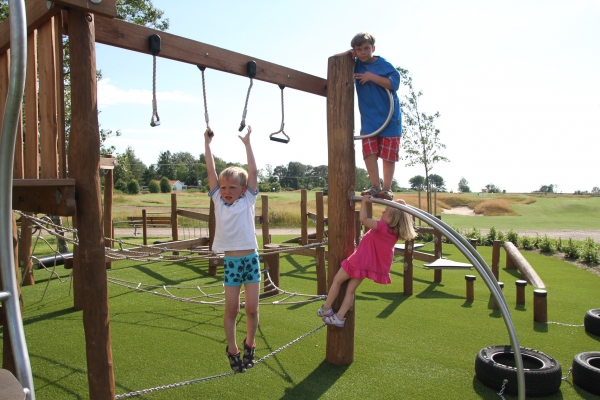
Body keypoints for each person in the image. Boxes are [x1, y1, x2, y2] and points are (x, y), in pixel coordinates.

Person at [205, 126, 260, 373]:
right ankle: (232, 348)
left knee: (252, 309)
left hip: (250, 260)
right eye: (224, 187)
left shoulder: (248, 199)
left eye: (232, 188)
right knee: (232, 309)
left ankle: (250, 344)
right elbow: (211, 171)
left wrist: (247, 144)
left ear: (243, 189)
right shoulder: (217, 200)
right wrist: (207, 145)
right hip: (232, 264)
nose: (226, 191)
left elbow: (253, 172)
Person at [317, 196, 416, 327]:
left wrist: (364, 202)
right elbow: (401, 212)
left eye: (385, 211)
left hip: (357, 261)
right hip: (366, 266)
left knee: (337, 280)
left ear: (392, 218)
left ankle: (326, 308)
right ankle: (339, 317)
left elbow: (363, 219)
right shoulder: (394, 234)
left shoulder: (382, 227)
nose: (382, 212)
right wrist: (399, 203)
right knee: (350, 290)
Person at [338, 32, 402, 201]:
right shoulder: (355, 64)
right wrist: (347, 54)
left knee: (388, 154)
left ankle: (386, 188)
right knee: (369, 151)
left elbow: (394, 83)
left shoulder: (383, 64)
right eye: (358, 49)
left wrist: (371, 77)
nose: (363, 52)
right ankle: (375, 186)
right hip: (369, 119)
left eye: (366, 48)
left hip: (389, 117)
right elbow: (335, 60)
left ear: (373, 48)